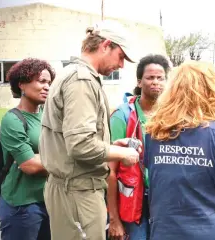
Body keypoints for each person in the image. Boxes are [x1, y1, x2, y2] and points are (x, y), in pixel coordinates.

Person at [39, 20, 141, 240]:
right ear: (105, 45)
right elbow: (81, 145)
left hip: (73, 190)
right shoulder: (81, 80)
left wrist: (112, 147)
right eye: (121, 56)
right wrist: (124, 154)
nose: (121, 65)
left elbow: (76, 139)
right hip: (77, 192)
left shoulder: (76, 75)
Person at [144, 61, 215, 240]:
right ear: (211, 91)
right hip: (214, 230)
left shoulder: (154, 133)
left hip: (167, 230)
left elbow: (155, 176)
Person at [107, 54, 170, 240]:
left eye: (160, 78)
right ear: (139, 81)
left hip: (165, 201)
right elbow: (110, 171)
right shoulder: (122, 116)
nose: (155, 82)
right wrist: (114, 219)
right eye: (150, 78)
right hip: (133, 203)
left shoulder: (173, 116)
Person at [0, 58, 55, 240]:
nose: (47, 86)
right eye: (41, 81)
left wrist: (42, 158)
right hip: (21, 206)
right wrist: (67, 160)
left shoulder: (49, 116)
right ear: (22, 84)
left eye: (49, 82)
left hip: (49, 201)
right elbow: (30, 165)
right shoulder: (13, 120)